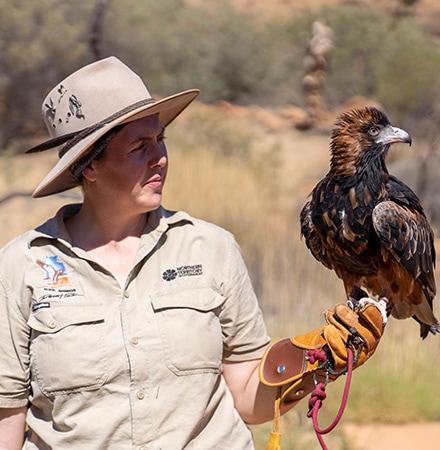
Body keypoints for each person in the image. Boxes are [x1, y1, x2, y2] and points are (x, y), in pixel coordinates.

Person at [0, 57, 384, 449]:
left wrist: (318, 362)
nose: (160, 158)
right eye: (139, 147)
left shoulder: (211, 248)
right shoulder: (21, 266)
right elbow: (6, 419)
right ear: (89, 167)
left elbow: (249, 399)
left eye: (160, 139)